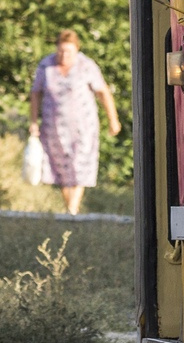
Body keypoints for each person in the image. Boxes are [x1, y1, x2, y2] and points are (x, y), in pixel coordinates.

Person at [28, 28, 121, 216]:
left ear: (77, 50)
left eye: (68, 51)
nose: (64, 55)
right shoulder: (46, 65)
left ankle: (72, 209)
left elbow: (103, 92)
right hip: (53, 126)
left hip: (83, 126)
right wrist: (33, 121)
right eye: (61, 51)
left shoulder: (86, 65)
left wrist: (113, 120)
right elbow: (35, 93)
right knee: (60, 167)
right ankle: (72, 210)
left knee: (80, 164)